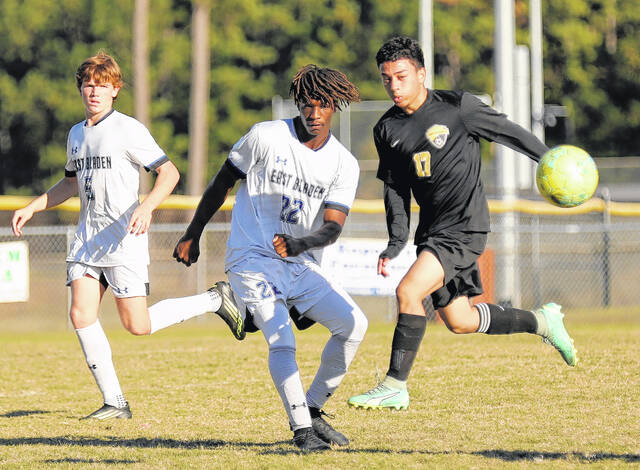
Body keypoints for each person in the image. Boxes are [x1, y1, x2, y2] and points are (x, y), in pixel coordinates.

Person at [347, 36, 577, 411]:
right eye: (387, 79)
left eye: (401, 76)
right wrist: (395, 241)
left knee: (408, 292)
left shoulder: (459, 107)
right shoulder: (387, 129)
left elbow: (510, 133)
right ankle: (542, 321)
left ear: (422, 74)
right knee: (460, 319)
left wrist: (548, 160)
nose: (394, 86)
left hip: (465, 226)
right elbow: (395, 190)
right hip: (432, 233)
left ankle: (394, 385)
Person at [11, 52, 243, 421]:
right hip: (88, 240)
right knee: (80, 314)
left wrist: (148, 206)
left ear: (115, 90)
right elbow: (70, 183)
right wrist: (34, 206)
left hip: (123, 239)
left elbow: (169, 174)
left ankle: (214, 299)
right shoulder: (75, 134)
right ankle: (115, 402)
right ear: (81, 88)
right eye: (88, 84)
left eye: (102, 85)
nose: (94, 91)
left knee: (138, 325)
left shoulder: (128, 128)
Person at [173, 64, 368, 452]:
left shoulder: (344, 163)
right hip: (251, 258)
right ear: (297, 104)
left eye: (323, 105)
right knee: (282, 338)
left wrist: (300, 245)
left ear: (336, 106)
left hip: (297, 261)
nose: (314, 113)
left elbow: (332, 228)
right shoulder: (265, 136)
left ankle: (311, 409)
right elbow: (221, 183)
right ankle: (301, 431)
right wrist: (192, 233)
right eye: (307, 105)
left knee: (354, 325)